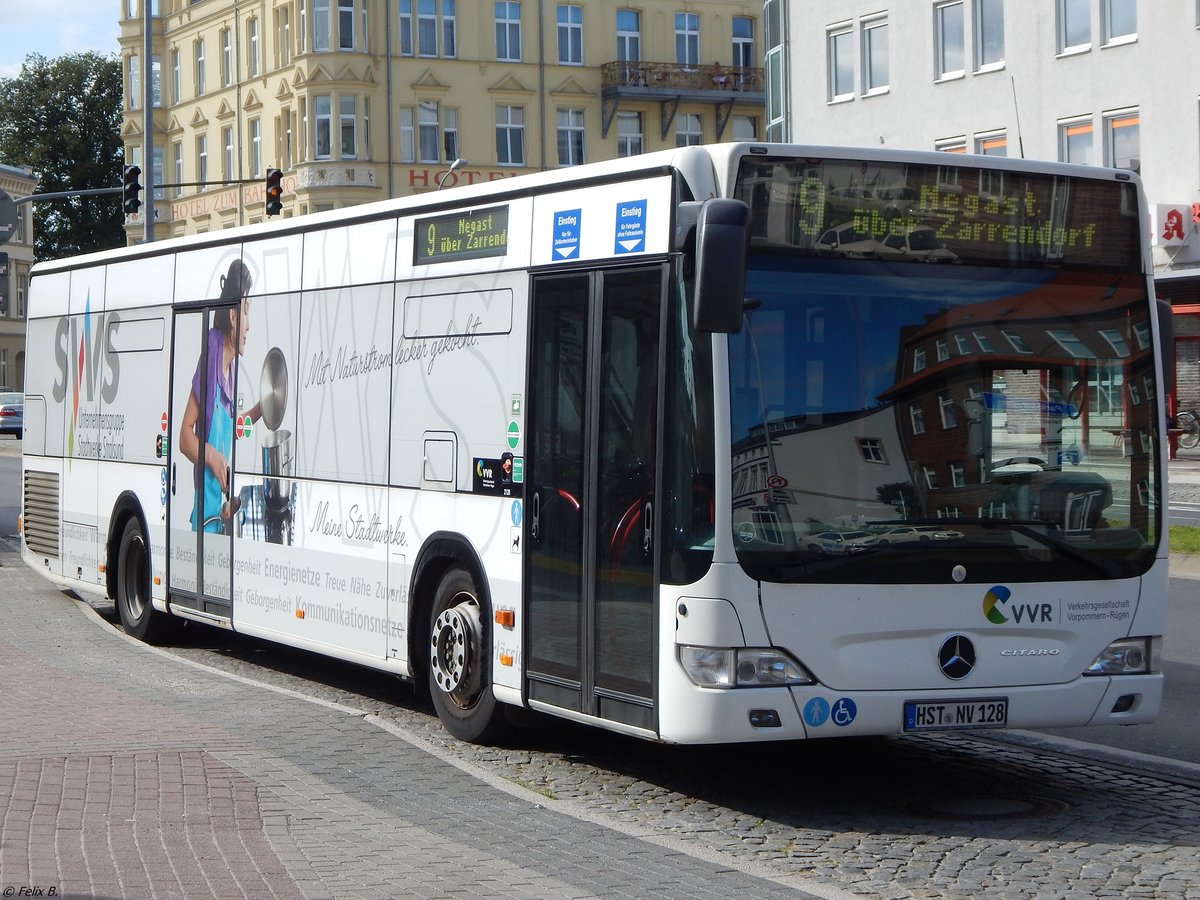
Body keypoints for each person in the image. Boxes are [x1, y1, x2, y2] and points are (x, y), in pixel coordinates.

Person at [179, 259, 262, 532]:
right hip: (206, 521)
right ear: (234, 316)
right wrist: (212, 457)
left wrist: (263, 407)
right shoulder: (213, 351)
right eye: (247, 312)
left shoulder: (230, 369)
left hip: (219, 515)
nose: (249, 326)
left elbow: (228, 429)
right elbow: (184, 437)